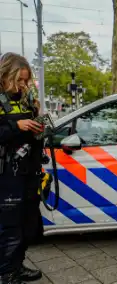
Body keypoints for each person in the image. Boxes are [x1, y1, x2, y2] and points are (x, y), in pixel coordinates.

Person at [0, 52, 45, 284]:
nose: (22, 85)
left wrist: (37, 124)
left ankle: (17, 265)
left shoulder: (26, 99)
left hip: (28, 170)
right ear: (5, 74)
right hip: (6, 174)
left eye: (25, 80)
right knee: (10, 225)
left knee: (28, 223)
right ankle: (7, 273)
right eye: (18, 80)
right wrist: (15, 126)